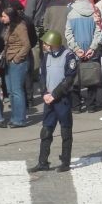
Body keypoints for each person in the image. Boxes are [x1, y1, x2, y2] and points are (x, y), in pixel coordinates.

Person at [29, 30, 78, 172]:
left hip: (62, 99)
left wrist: (54, 94)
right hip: (49, 99)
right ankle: (43, 162)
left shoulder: (68, 56)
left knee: (65, 131)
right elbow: (42, 75)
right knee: (46, 130)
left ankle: (65, 161)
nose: (44, 46)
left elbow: (68, 79)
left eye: (46, 43)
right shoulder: (47, 56)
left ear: (53, 44)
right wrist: (44, 92)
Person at [1, 7, 31, 127]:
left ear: (10, 16)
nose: (2, 18)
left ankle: (20, 119)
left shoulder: (20, 26)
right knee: (11, 91)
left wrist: (17, 59)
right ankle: (15, 117)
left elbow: (26, 45)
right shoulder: (10, 26)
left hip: (18, 62)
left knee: (17, 91)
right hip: (9, 60)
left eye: (4, 16)